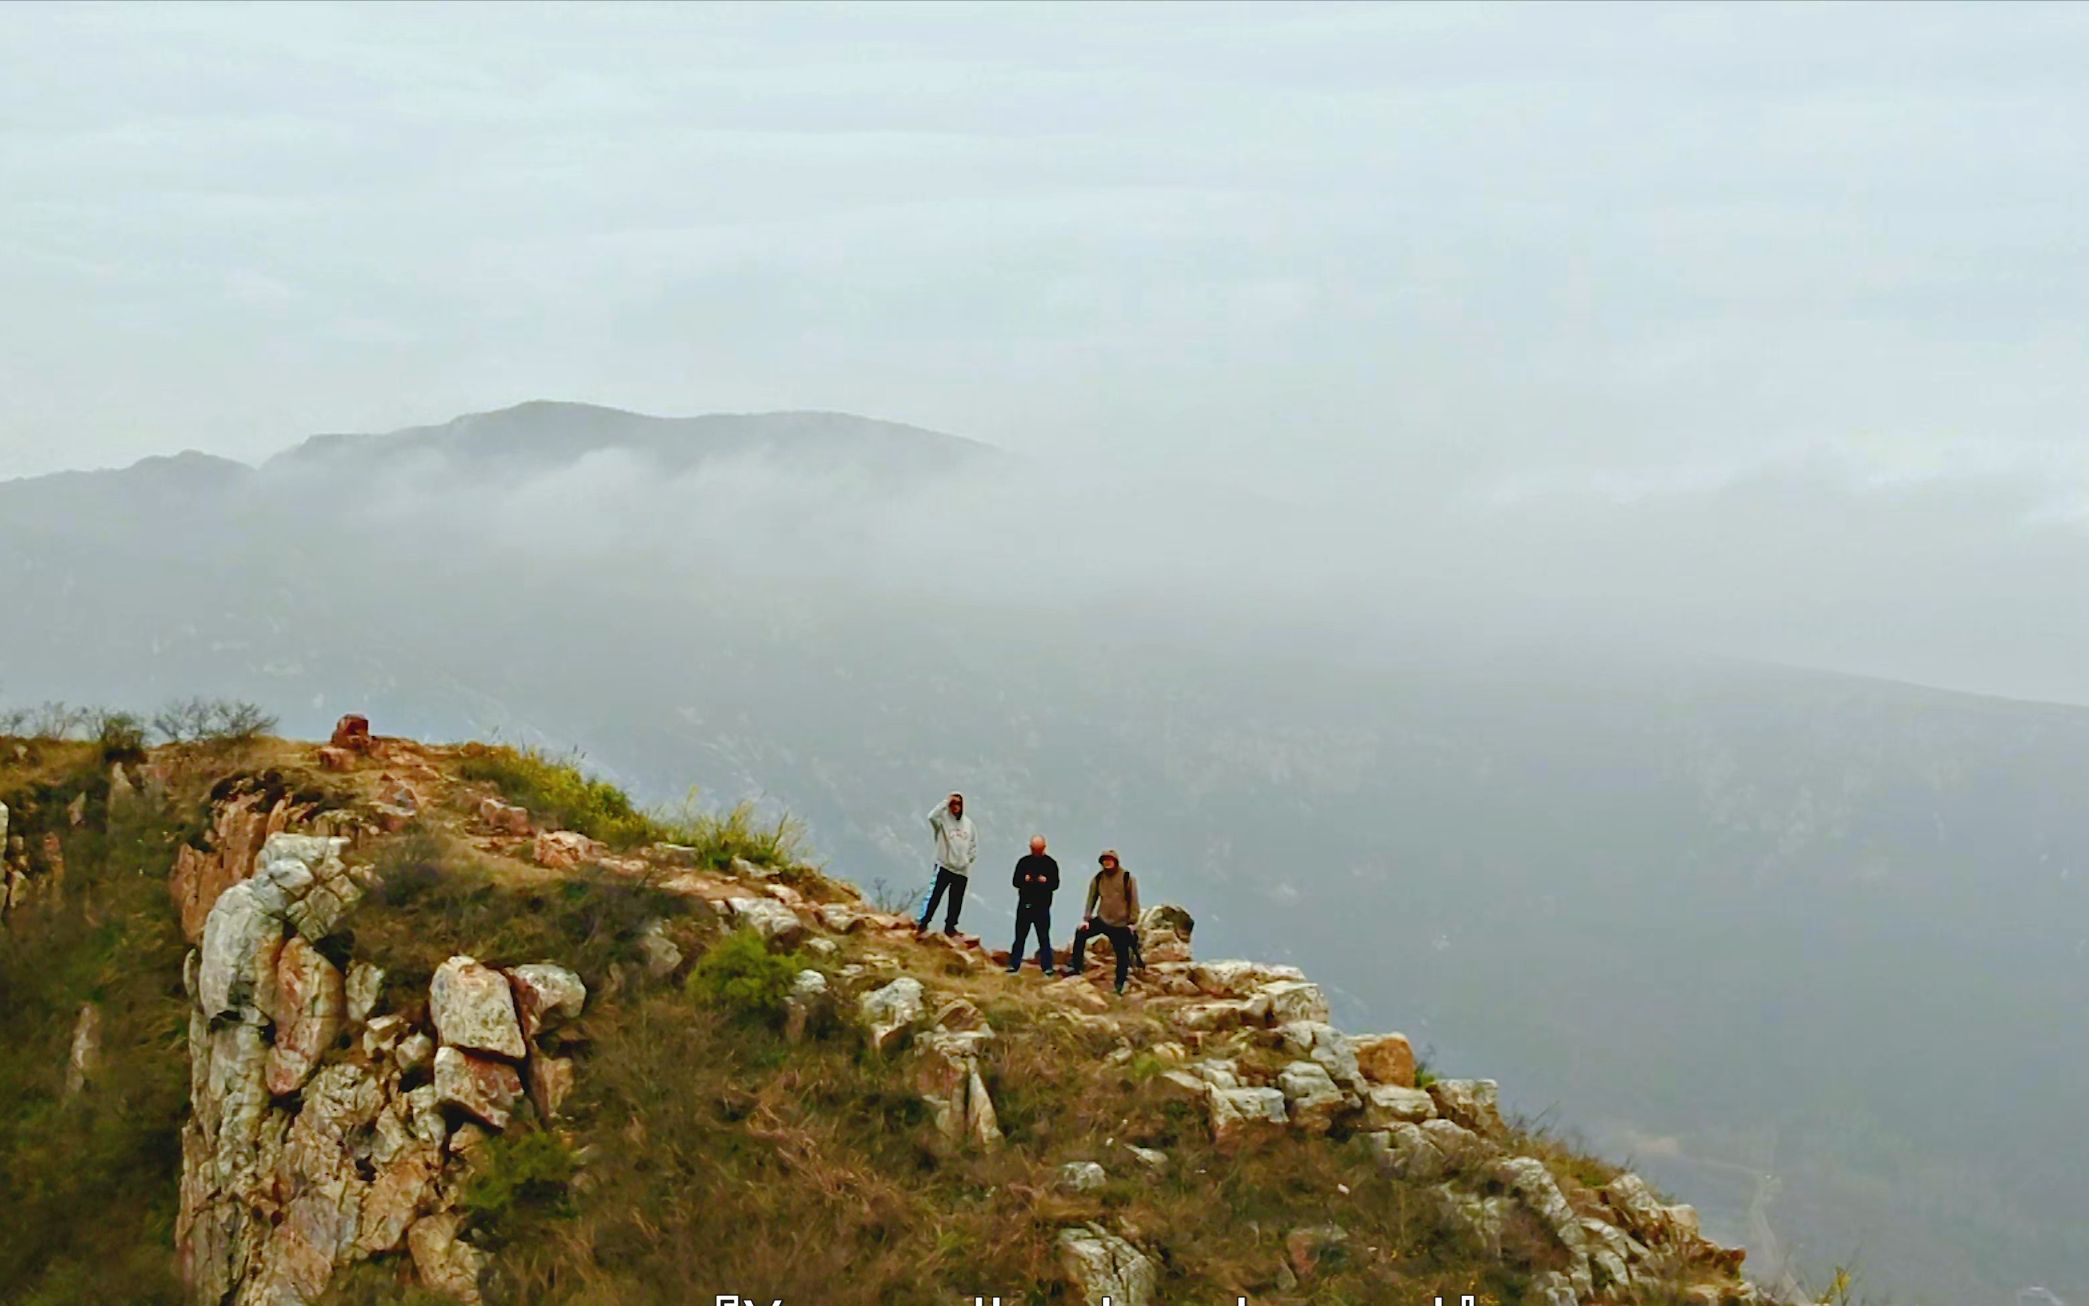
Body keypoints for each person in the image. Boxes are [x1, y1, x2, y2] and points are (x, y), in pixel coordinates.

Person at [1068, 849, 1142, 994]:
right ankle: (1077, 968)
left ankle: (1119, 984)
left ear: (1115, 861)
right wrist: (1087, 919)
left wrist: (1132, 922)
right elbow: (1091, 898)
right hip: (1102, 919)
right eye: (1104, 860)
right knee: (1080, 934)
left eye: (1109, 860)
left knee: (1122, 955)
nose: (1107, 862)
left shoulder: (1127, 878)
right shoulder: (1098, 878)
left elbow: (1134, 901)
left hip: (1120, 923)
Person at [917, 791, 977, 935]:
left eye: (958, 803)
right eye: (953, 803)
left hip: (962, 870)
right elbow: (931, 816)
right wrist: (945, 803)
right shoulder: (942, 820)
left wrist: (968, 860)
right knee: (935, 895)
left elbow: (973, 845)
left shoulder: (968, 824)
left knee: (956, 901)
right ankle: (924, 921)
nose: (955, 806)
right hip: (944, 865)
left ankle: (950, 927)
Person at [1006, 834, 1060, 975]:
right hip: (1025, 905)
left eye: (1039, 849)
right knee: (1020, 936)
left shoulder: (1050, 864)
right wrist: (1025, 880)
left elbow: (1055, 884)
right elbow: (1015, 881)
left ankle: (1047, 966)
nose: (1036, 852)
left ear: (1044, 848)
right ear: (1030, 848)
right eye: (1034, 849)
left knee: (1043, 937)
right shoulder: (1023, 862)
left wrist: (1045, 882)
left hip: (1042, 906)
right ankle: (1014, 964)